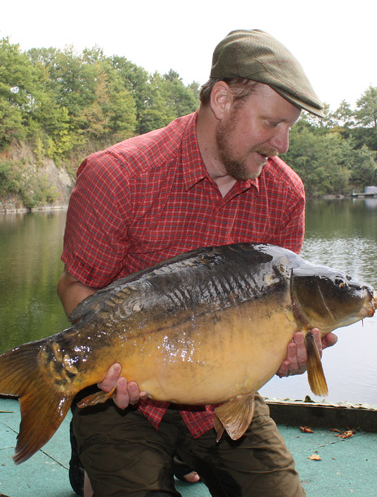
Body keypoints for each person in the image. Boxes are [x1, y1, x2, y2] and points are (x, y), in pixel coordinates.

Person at [57, 29, 336, 497]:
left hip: (224, 401)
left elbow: (278, 322)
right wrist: (113, 366)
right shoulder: (116, 175)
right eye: (271, 123)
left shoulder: (286, 193)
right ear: (223, 100)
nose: (283, 143)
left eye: (291, 126)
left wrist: (291, 353)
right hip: (123, 401)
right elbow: (75, 288)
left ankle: (181, 455)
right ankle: (93, 457)